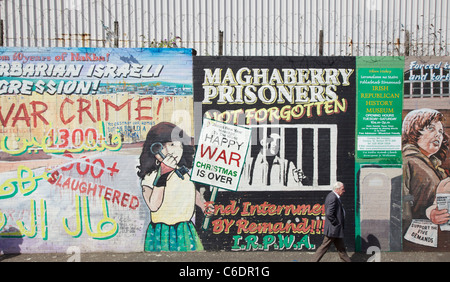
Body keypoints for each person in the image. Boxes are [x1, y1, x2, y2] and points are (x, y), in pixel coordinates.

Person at [137, 122, 213, 252]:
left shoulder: (182, 172)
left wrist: (203, 204)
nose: (171, 151)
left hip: (186, 229)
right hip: (163, 232)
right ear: (155, 150)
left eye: (175, 145)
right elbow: (153, 205)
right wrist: (162, 175)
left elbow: (190, 190)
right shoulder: (151, 177)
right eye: (164, 146)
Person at [312, 181, 351, 262]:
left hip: (336, 230)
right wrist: (336, 223)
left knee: (341, 249)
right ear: (337, 189)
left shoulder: (333, 196)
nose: (344, 191)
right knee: (323, 247)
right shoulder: (333, 197)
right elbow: (329, 213)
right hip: (333, 229)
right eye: (342, 189)